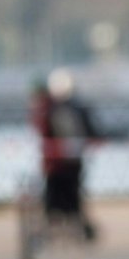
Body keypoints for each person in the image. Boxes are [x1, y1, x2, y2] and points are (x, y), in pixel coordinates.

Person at [34, 68, 101, 240]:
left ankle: (53, 229)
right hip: (71, 161)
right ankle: (76, 228)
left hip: (55, 163)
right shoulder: (75, 107)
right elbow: (91, 130)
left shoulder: (48, 108)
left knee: (55, 197)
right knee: (70, 195)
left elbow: (41, 130)